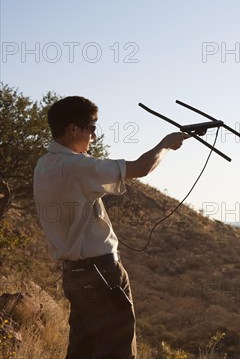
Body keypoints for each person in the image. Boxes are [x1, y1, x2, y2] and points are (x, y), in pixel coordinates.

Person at [33, 96, 192, 359]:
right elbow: (141, 168)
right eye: (92, 128)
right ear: (73, 129)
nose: (94, 135)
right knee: (119, 353)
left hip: (74, 276)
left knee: (82, 352)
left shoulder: (44, 165)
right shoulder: (77, 166)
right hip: (101, 275)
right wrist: (166, 144)